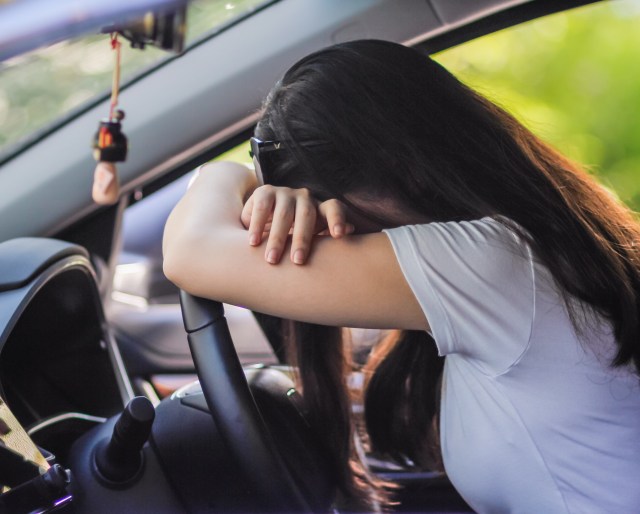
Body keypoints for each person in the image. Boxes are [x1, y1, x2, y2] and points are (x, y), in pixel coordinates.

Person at [163, 39, 640, 513]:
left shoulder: (492, 264)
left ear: (410, 171)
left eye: (334, 218)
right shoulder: (548, 240)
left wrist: (224, 174)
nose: (342, 238)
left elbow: (190, 254)